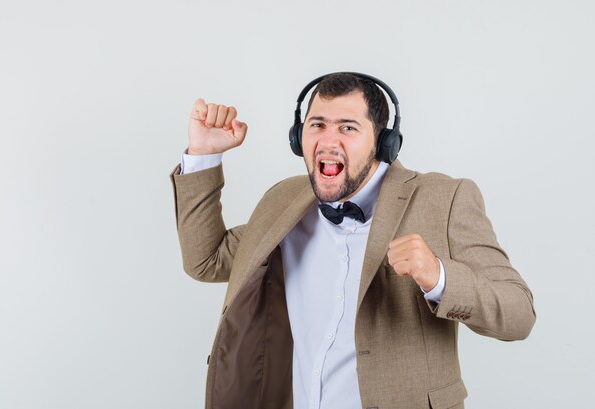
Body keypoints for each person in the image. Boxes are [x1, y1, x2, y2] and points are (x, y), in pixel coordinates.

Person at [170, 72, 535, 409]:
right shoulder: (285, 201)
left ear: (384, 142)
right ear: (299, 138)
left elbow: (519, 315)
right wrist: (205, 155)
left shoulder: (444, 199)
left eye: (348, 127)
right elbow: (207, 259)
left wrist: (439, 277)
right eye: (317, 125)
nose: (329, 141)